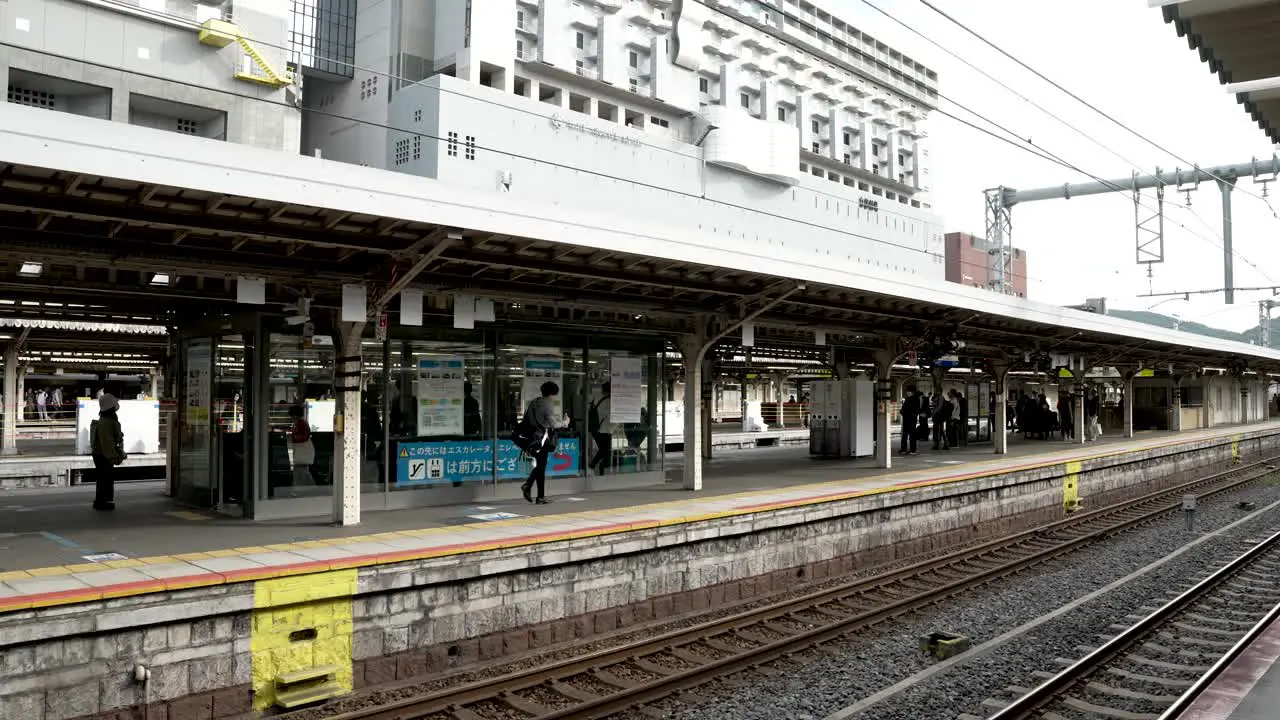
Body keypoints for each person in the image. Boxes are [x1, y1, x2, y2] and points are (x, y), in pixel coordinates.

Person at [522, 381, 567, 504]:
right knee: (541, 465)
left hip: (532, 438)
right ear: (553, 393)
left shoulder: (534, 402)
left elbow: (527, 419)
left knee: (541, 466)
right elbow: (553, 424)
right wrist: (564, 423)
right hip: (543, 439)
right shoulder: (548, 405)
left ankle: (540, 496)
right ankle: (528, 485)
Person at [89, 394, 126, 511]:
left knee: (102, 477)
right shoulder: (108, 422)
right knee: (105, 478)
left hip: (99, 454)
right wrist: (114, 456)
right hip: (103, 455)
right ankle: (102, 502)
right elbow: (108, 443)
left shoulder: (104, 420)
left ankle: (101, 500)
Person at [588, 382, 614, 475]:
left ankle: (597, 469)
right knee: (605, 452)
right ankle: (592, 467)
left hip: (598, 429)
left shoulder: (599, 399)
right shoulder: (610, 401)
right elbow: (610, 417)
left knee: (604, 452)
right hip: (604, 430)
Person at [288, 405, 316, 488]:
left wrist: (291, 437)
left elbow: (302, 437)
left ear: (295, 415)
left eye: (292, 416)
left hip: (302, 453)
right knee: (302, 472)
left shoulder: (301, 424)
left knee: (300, 472)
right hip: (303, 453)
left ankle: (306, 488)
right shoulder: (300, 423)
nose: (291, 418)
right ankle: (301, 487)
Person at [899, 388, 920, 456]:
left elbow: (903, 410)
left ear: (911, 392)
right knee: (912, 435)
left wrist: (902, 412)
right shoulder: (917, 399)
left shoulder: (907, 399)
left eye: (908, 391)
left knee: (905, 435)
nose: (907, 393)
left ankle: (903, 450)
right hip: (912, 420)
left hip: (906, 419)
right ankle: (912, 450)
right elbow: (917, 410)